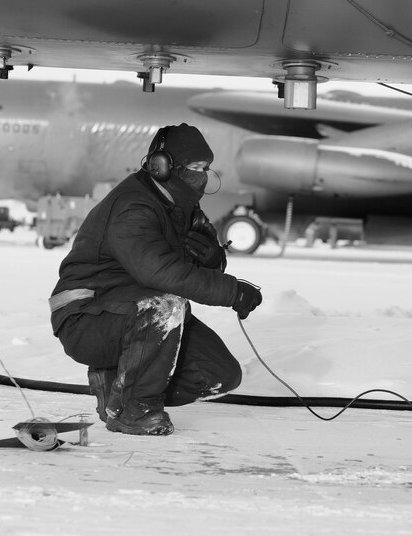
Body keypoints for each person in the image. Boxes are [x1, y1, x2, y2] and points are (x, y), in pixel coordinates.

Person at [49, 124, 262, 436]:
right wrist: (232, 291)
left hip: (135, 311)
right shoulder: (132, 206)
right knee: (165, 305)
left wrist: (213, 259)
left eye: (205, 168)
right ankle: (133, 408)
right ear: (161, 166)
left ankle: (117, 386)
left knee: (219, 375)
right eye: (193, 168)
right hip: (86, 317)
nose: (201, 176)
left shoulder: (182, 206)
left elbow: (191, 270)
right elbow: (160, 272)